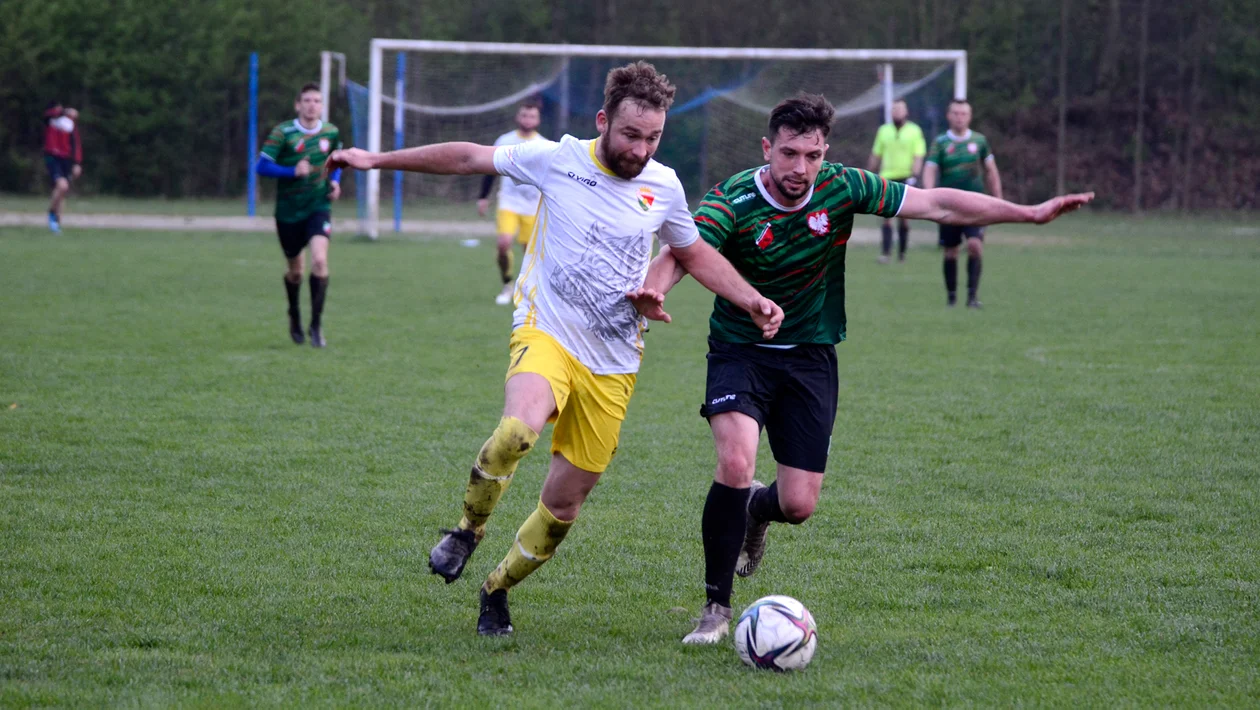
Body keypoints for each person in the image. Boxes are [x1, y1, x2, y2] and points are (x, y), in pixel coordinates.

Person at [326, 61, 784, 637]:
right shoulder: (559, 158)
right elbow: (469, 156)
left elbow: (692, 254)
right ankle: (467, 530)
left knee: (563, 508)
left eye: (652, 138)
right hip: (547, 330)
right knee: (518, 430)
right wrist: (374, 160)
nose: (641, 149)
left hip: (614, 362)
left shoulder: (663, 186)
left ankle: (496, 590)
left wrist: (751, 300)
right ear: (603, 120)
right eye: (630, 135)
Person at [639, 93, 1093, 645]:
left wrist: (1028, 213)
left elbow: (937, 205)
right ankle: (715, 609)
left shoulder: (843, 186)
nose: (799, 168)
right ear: (767, 149)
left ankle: (759, 509)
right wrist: (653, 290)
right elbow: (685, 252)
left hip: (811, 358)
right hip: (742, 351)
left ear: (824, 151)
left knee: (799, 505)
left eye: (811, 155)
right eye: (788, 154)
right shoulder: (734, 197)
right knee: (736, 460)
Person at [255, 83, 342, 347]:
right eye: (307, 100)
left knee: (319, 261)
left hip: (318, 206)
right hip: (289, 212)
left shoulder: (331, 131)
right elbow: (261, 166)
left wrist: (336, 182)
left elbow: (337, 159)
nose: (312, 105)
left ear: (322, 105)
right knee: (295, 271)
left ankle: (316, 326)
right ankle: (294, 314)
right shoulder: (283, 133)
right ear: (297, 105)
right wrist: (291, 171)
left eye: (317, 100)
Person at [922, 100, 1002, 308]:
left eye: (964, 113)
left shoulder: (980, 141)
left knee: (975, 246)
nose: (960, 117)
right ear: (949, 116)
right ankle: (951, 297)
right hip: (948, 206)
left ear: (970, 116)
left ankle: (972, 297)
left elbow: (991, 171)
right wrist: (928, 195)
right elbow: (930, 169)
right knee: (951, 251)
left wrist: (998, 200)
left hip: (976, 205)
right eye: (956, 113)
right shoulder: (940, 142)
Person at [477, 99, 547, 305]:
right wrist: (483, 197)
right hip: (508, 201)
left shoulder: (544, 145)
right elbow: (490, 169)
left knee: (529, 252)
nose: (528, 119)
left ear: (538, 119)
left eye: (532, 116)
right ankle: (507, 284)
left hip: (532, 205)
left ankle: (526, 289)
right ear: (518, 117)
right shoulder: (504, 140)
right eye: (524, 115)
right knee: (503, 244)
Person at [867, 99, 926, 263]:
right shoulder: (883, 131)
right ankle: (886, 253)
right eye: (894, 109)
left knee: (904, 217)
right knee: (886, 215)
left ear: (906, 112)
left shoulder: (914, 131)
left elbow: (918, 155)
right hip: (887, 177)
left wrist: (915, 175)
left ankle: (902, 254)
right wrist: (869, 174)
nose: (897, 112)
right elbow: (876, 154)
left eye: (900, 109)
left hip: (906, 177)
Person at [42, 102, 82, 234]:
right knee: (62, 186)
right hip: (52, 157)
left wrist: (77, 163)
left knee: (62, 192)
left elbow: (75, 144)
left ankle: (56, 224)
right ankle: (52, 213)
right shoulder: (51, 120)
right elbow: (50, 114)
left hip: (65, 159)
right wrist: (66, 110)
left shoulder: (69, 124)